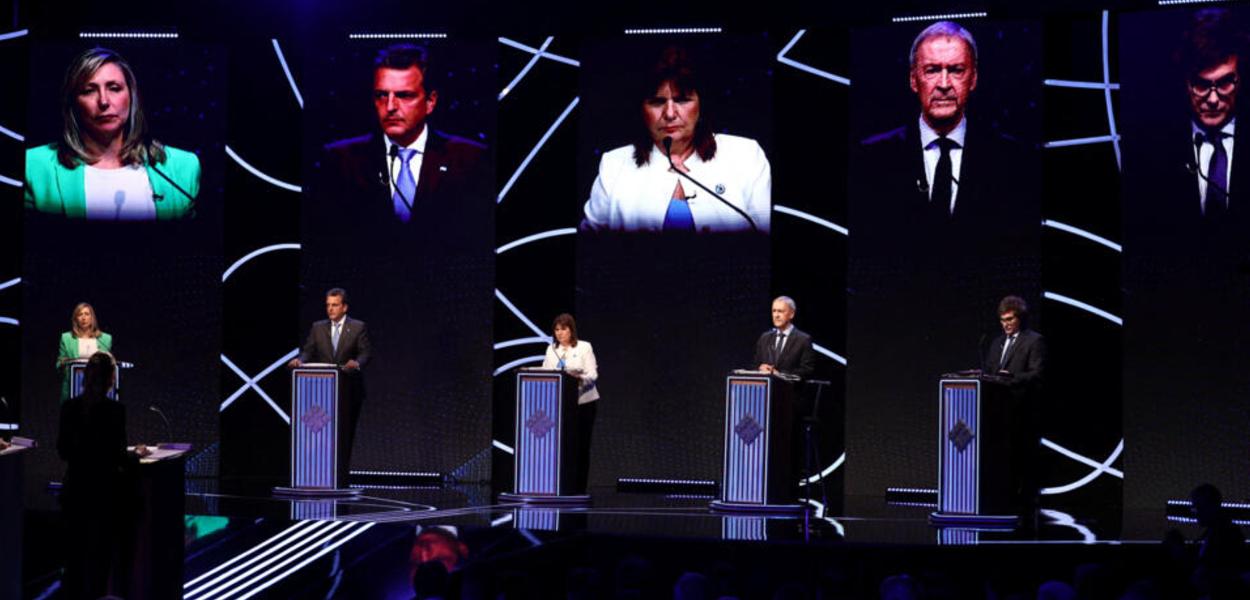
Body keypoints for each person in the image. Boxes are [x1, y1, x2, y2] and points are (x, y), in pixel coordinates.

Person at [855, 21, 1034, 234]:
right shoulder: (870, 158)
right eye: (932, 70)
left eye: (956, 70)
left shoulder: (1013, 160)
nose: (944, 84)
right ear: (913, 80)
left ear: (973, 78)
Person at [581, 45, 771, 233]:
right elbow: (587, 250)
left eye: (682, 100)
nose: (670, 114)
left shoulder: (745, 155)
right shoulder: (614, 164)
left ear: (701, 105)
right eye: (657, 102)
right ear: (641, 110)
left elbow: (766, 240)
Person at [317, 43, 488, 228]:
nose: (390, 107)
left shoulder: (470, 159)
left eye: (404, 95)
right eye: (382, 95)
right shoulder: (341, 160)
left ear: (430, 102)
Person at [25, 47, 200, 220]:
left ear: (132, 97)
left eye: (114, 88)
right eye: (89, 90)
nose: (103, 101)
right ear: (73, 104)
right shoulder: (33, 167)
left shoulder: (183, 167)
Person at [57, 351, 150, 599]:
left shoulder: (69, 408)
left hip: (74, 493)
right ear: (111, 378)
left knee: (74, 563)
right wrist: (136, 454)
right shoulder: (115, 411)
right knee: (99, 564)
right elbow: (117, 455)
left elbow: (62, 450)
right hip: (103, 498)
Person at [289, 288, 372, 485]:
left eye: (334, 305)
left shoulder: (358, 327)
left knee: (344, 436)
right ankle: (319, 476)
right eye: (328, 305)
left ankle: (341, 478)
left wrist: (356, 363)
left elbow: (365, 353)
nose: (330, 309)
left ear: (344, 307)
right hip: (322, 394)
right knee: (322, 434)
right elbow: (308, 351)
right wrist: (300, 361)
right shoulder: (318, 328)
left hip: (348, 391)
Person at [1178, 9, 1247, 220]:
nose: (1213, 99)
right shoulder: (1154, 146)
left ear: (1241, 79)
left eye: (1225, 82)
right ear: (1186, 83)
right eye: (1201, 84)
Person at [540, 313, 599, 492]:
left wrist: (577, 377)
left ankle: (579, 488)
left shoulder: (584, 347)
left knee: (581, 446)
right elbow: (545, 373)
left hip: (583, 404)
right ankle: (560, 486)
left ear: (571, 330)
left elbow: (592, 375)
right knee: (561, 447)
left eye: (564, 329)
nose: (560, 333)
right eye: (557, 330)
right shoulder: (552, 350)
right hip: (559, 406)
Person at [983, 295, 1046, 385]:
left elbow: (1037, 374)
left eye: (1009, 319)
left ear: (1020, 318)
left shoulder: (1034, 340)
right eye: (1002, 320)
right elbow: (989, 371)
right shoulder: (997, 343)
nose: (1005, 324)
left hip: (1019, 396)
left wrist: (1012, 377)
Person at [57, 302, 113, 402]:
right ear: (75, 319)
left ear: (92, 318)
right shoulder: (66, 338)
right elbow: (59, 364)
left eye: (87, 314)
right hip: (73, 388)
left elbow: (108, 364)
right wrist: (63, 363)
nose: (83, 318)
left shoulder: (105, 339)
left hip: (99, 389)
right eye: (80, 314)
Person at [752, 296, 816, 380]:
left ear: (792, 314)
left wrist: (780, 375)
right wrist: (760, 368)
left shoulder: (803, 340)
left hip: (790, 391)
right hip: (766, 390)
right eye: (774, 311)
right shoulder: (764, 338)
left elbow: (807, 371)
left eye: (780, 311)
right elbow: (755, 365)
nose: (776, 315)